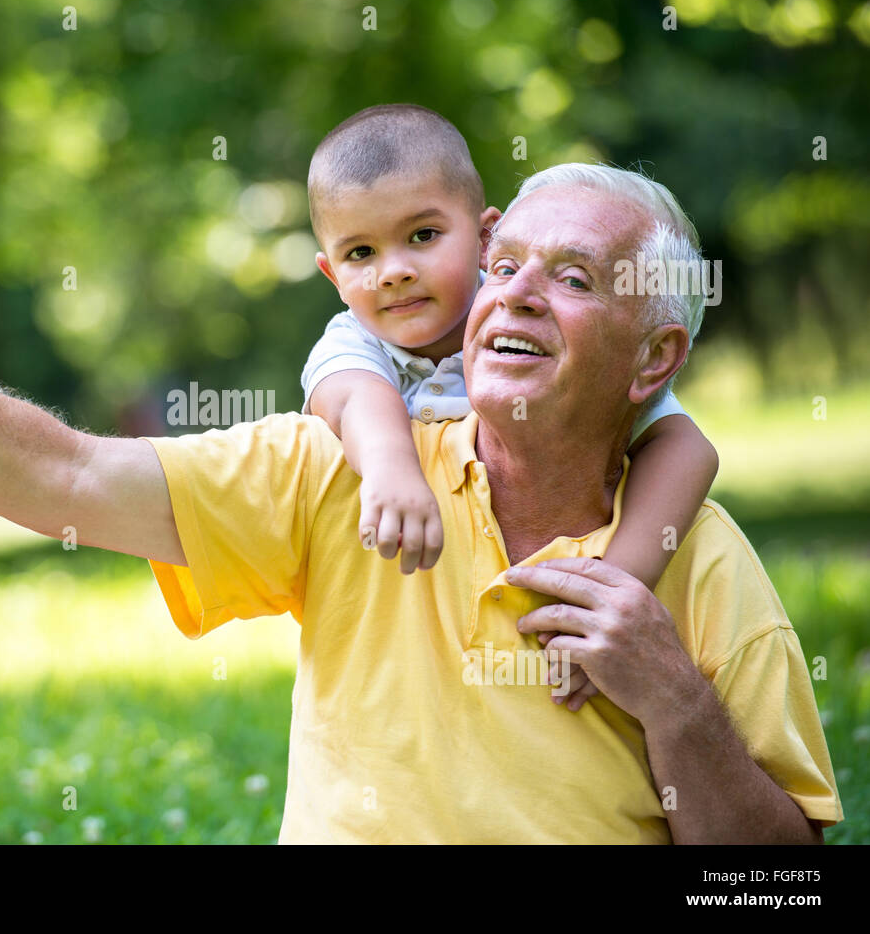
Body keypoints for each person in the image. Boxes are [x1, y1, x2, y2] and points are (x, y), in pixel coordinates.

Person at [0, 161, 841, 843]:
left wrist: (674, 704)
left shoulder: (700, 564)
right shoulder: (341, 465)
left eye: (575, 279)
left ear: (654, 362)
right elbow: (67, 474)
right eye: (504, 264)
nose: (516, 296)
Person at [301, 105, 718, 710]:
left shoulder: (526, 319)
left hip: (535, 601)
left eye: (423, 236)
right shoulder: (355, 341)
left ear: (485, 235)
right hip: (414, 607)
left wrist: (614, 590)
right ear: (331, 273)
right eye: (360, 254)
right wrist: (392, 469)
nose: (394, 272)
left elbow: (686, 448)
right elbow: (353, 395)